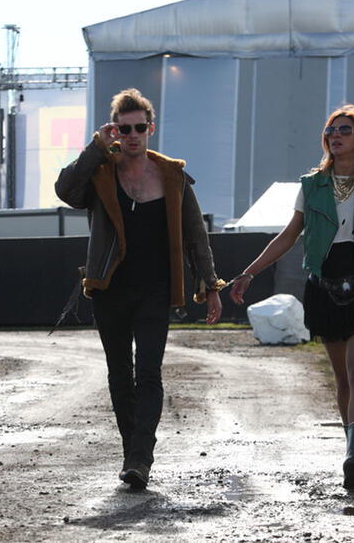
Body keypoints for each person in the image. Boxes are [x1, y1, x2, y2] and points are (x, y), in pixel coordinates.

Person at [230, 104, 354, 489]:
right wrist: (249, 272)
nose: (335, 135)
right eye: (330, 130)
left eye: (343, 130)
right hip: (324, 285)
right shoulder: (311, 186)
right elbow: (288, 237)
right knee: (341, 378)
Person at [55, 88, 224, 490]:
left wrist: (210, 285)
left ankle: (139, 458)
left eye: (139, 127)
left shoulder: (172, 174)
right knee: (119, 374)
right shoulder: (100, 172)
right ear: (114, 130)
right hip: (110, 288)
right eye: (123, 128)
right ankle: (132, 449)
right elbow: (65, 190)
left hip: (155, 290)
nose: (132, 135)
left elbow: (195, 234)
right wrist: (95, 148)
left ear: (151, 128)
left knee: (148, 372)